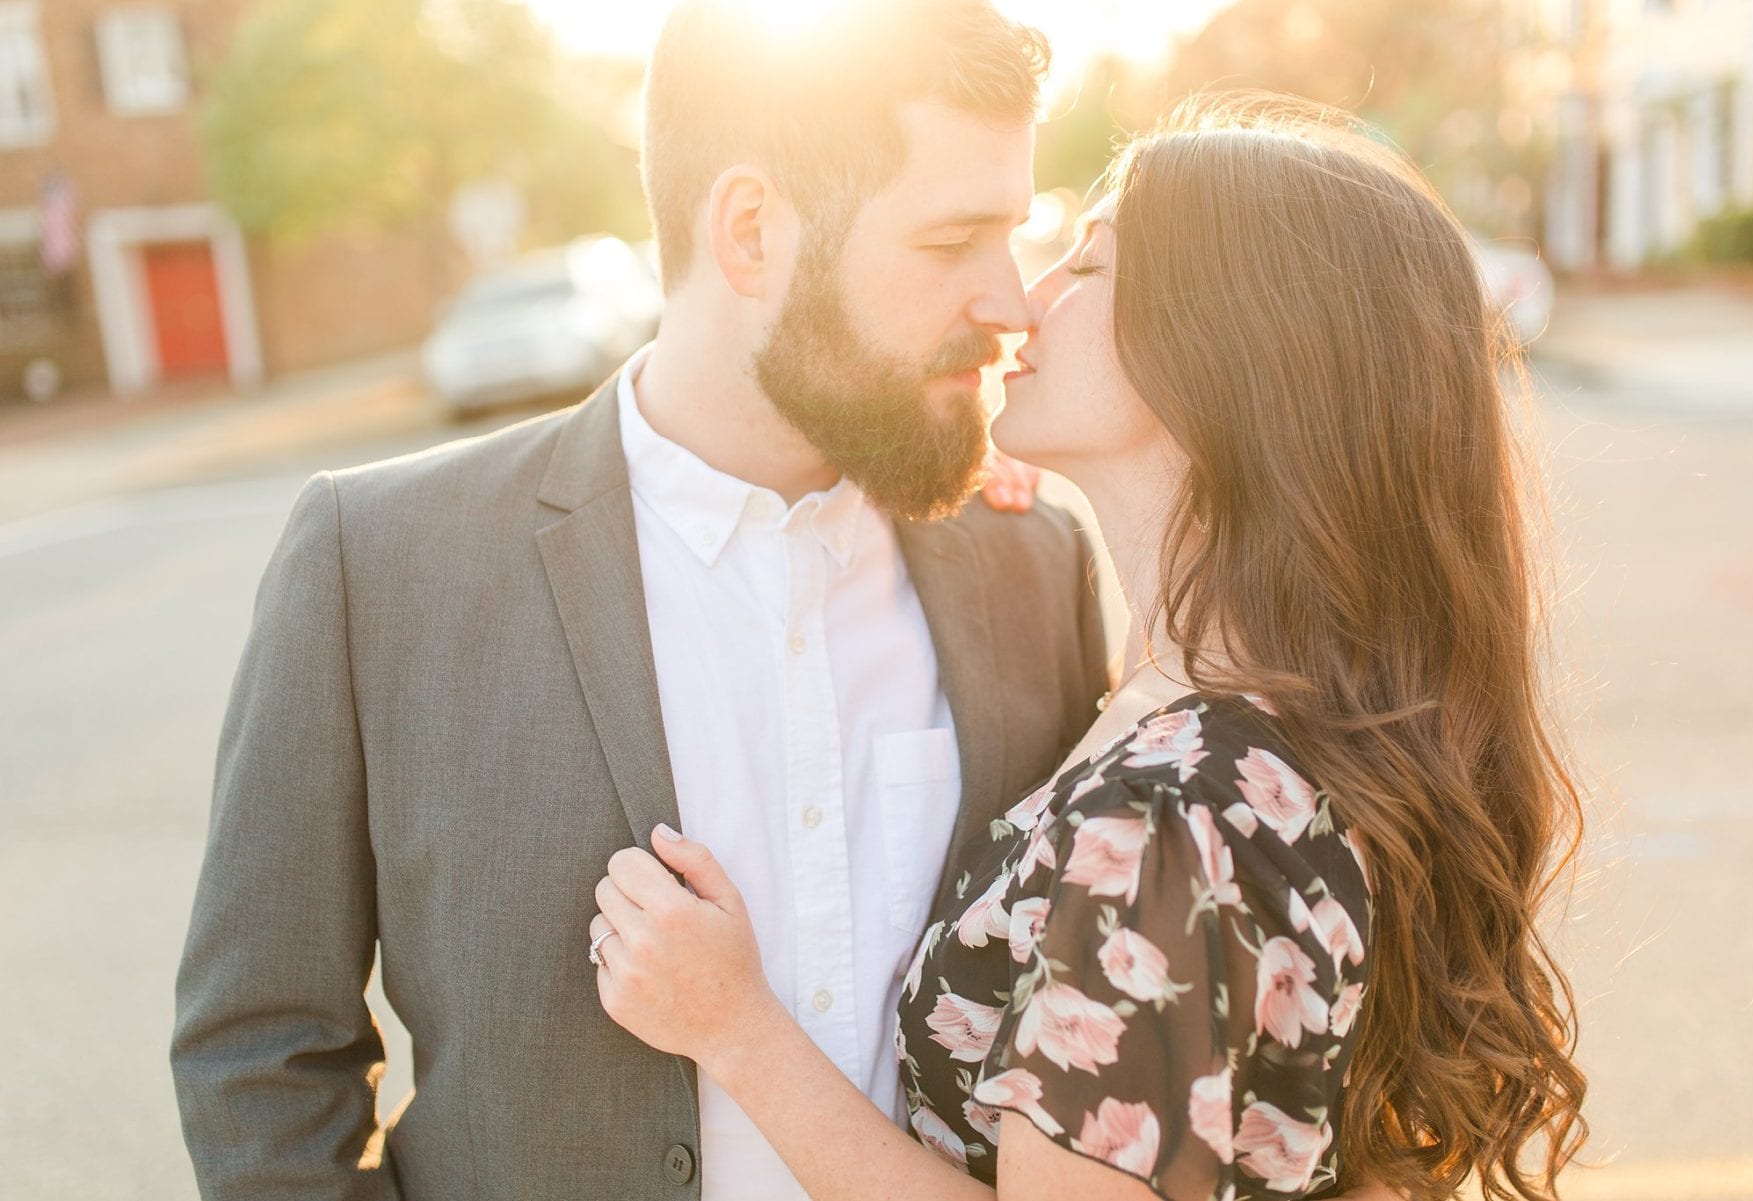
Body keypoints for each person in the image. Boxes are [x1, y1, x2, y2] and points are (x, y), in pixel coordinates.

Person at [172, 3, 1113, 1198]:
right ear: (752, 232)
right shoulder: (380, 565)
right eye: (952, 242)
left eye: (1018, 236)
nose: (1013, 301)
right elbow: (260, 1053)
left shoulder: (1036, 563)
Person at [585, 95, 1590, 1201]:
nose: (1026, 298)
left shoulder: (1170, 814)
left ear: (1220, 351)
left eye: (1088, 263)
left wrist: (737, 1032)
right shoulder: (1270, 722)